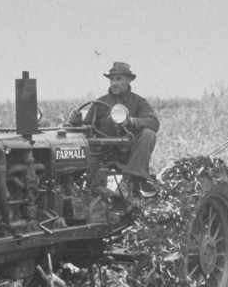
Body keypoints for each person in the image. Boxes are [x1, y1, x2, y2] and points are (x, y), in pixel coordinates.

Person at [68, 62, 160, 197]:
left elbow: (153, 123)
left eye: (119, 79)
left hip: (128, 157)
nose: (114, 83)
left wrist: (132, 121)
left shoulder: (139, 102)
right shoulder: (99, 103)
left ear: (129, 80)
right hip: (102, 155)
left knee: (148, 134)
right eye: (112, 79)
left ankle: (129, 181)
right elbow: (86, 130)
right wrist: (76, 123)